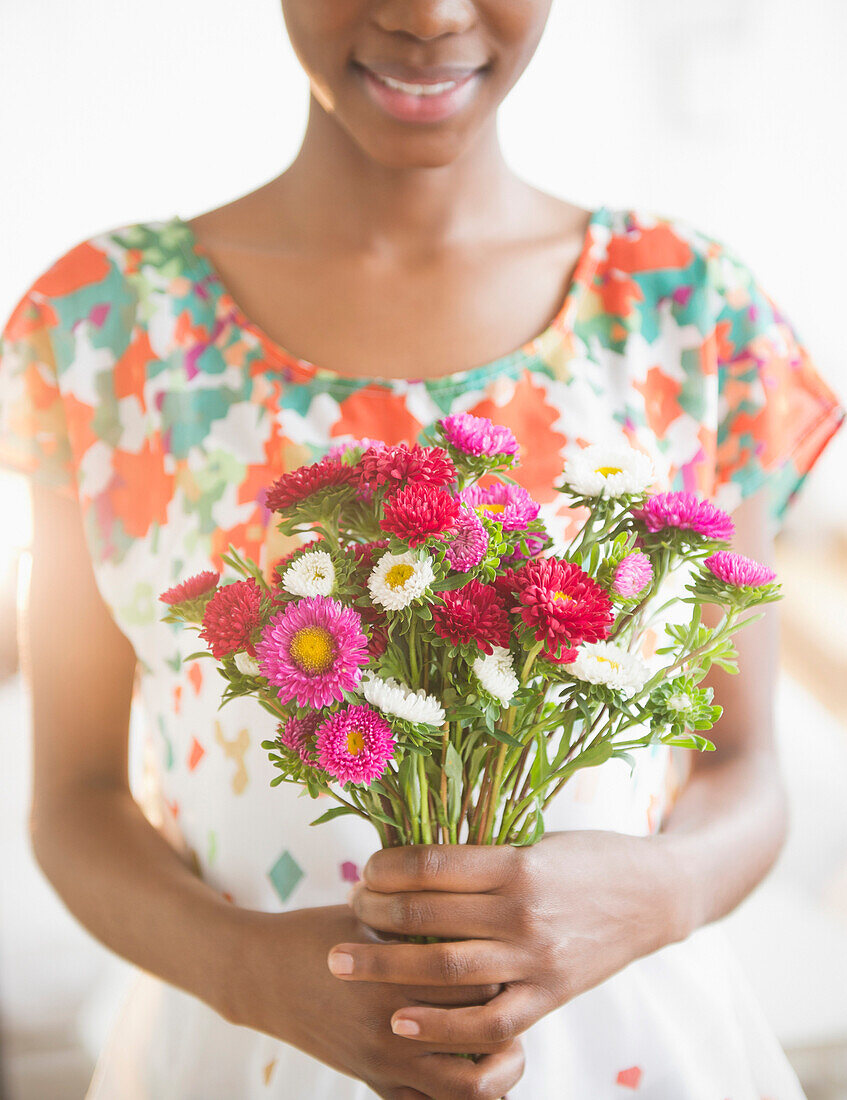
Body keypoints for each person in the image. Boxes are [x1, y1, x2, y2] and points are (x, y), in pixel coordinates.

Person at [1, 2, 844, 1097]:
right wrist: (252, 974)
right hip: (238, 1054)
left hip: (632, 1050)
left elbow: (746, 769)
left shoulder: (689, 312)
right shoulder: (100, 326)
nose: (429, 13)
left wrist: (659, 889)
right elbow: (72, 799)